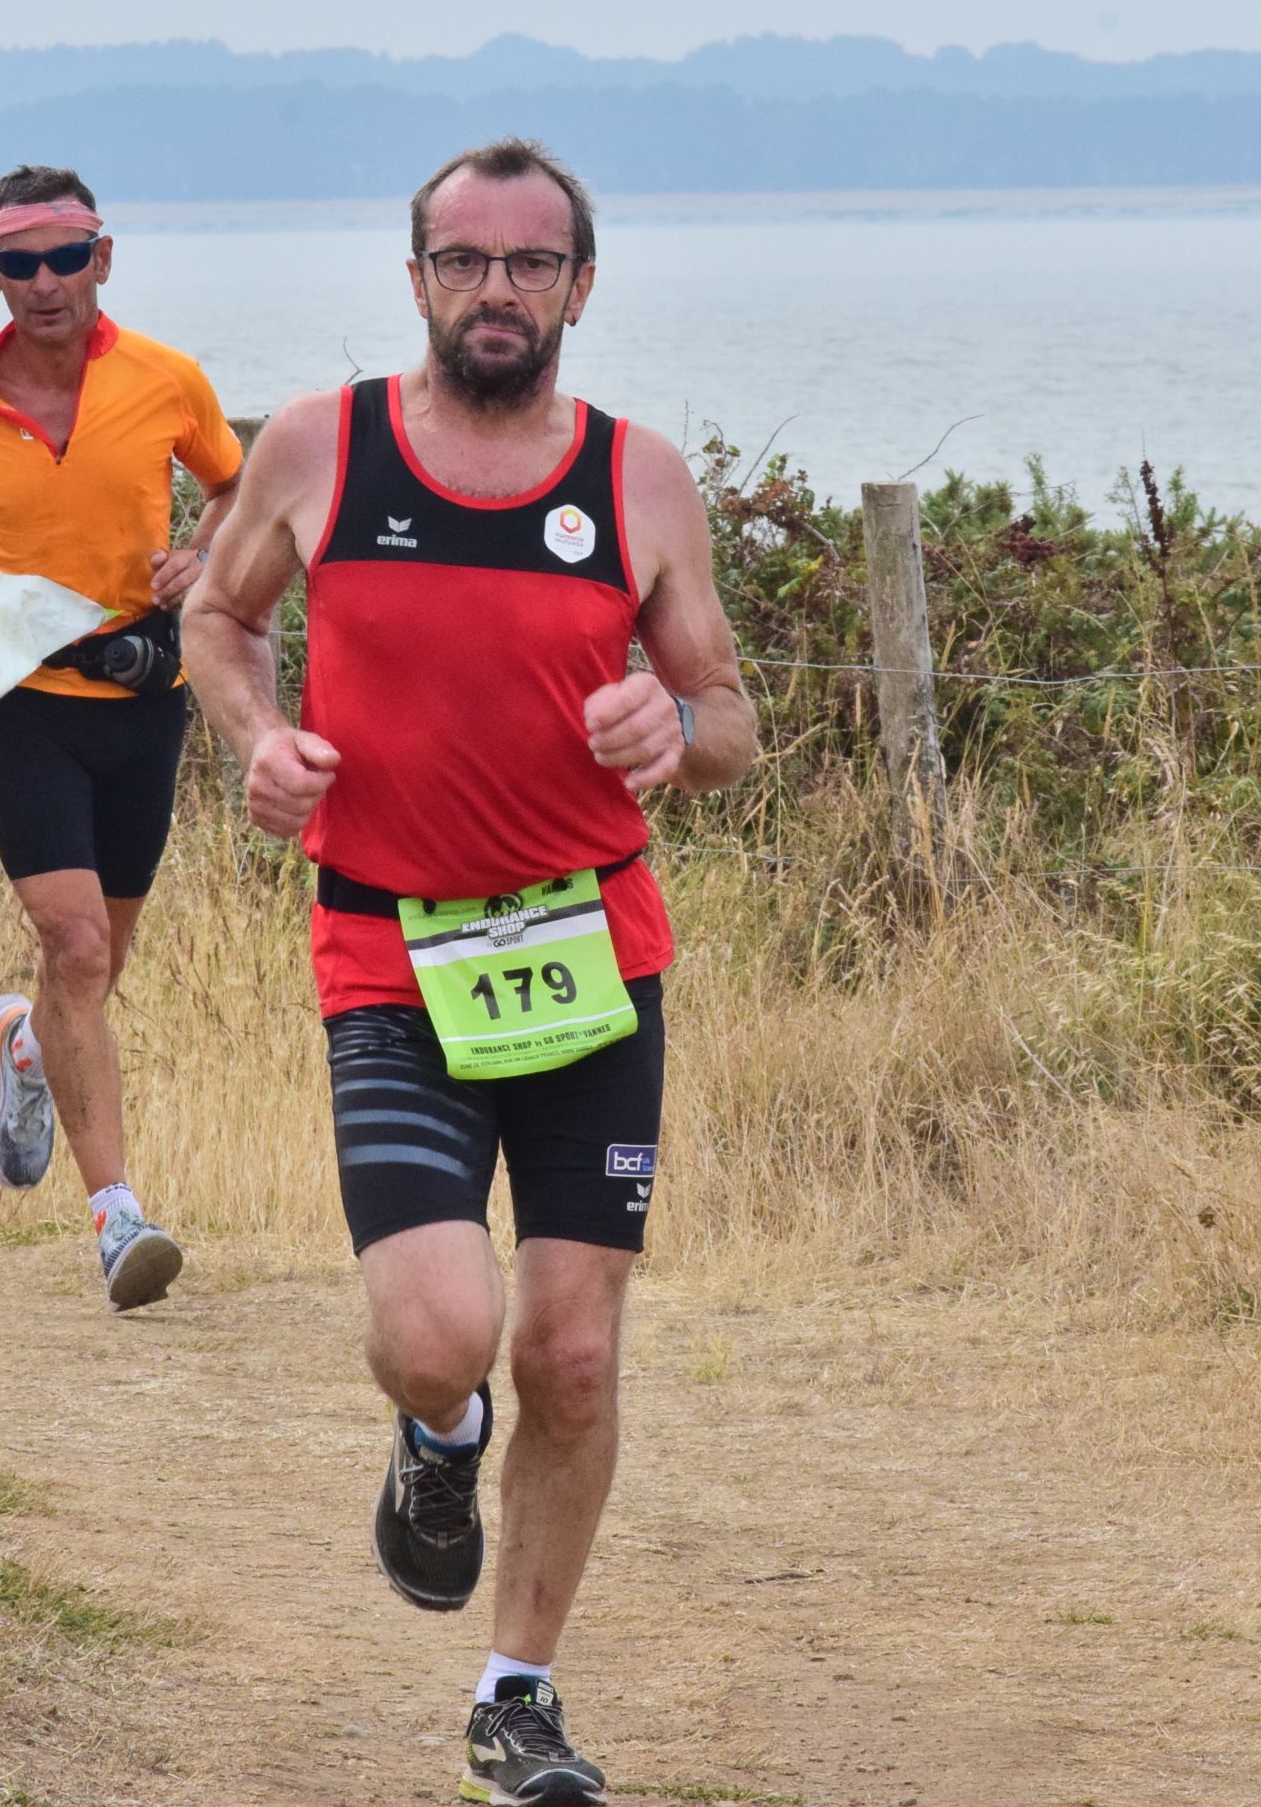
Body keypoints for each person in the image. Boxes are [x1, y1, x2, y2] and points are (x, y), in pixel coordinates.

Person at [185, 138, 756, 1805]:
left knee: (569, 1352)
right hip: (391, 952)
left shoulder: (639, 480)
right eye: (464, 260)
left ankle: (518, 1694)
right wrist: (258, 737)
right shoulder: (324, 446)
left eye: (529, 264)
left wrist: (673, 723)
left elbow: (732, 720)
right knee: (444, 1335)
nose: (494, 291)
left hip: (591, 958)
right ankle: (436, 1437)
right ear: (417, 276)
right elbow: (218, 619)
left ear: (581, 286)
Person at [0, 166, 243, 1311]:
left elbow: (237, 486)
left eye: (66, 257)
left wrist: (204, 553)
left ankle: (24, 1047)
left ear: (102, 258)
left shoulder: (166, 379)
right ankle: (117, 1216)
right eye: (21, 263)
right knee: (76, 948)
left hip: (145, 696)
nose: (46, 282)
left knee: (100, 963)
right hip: (20, 696)